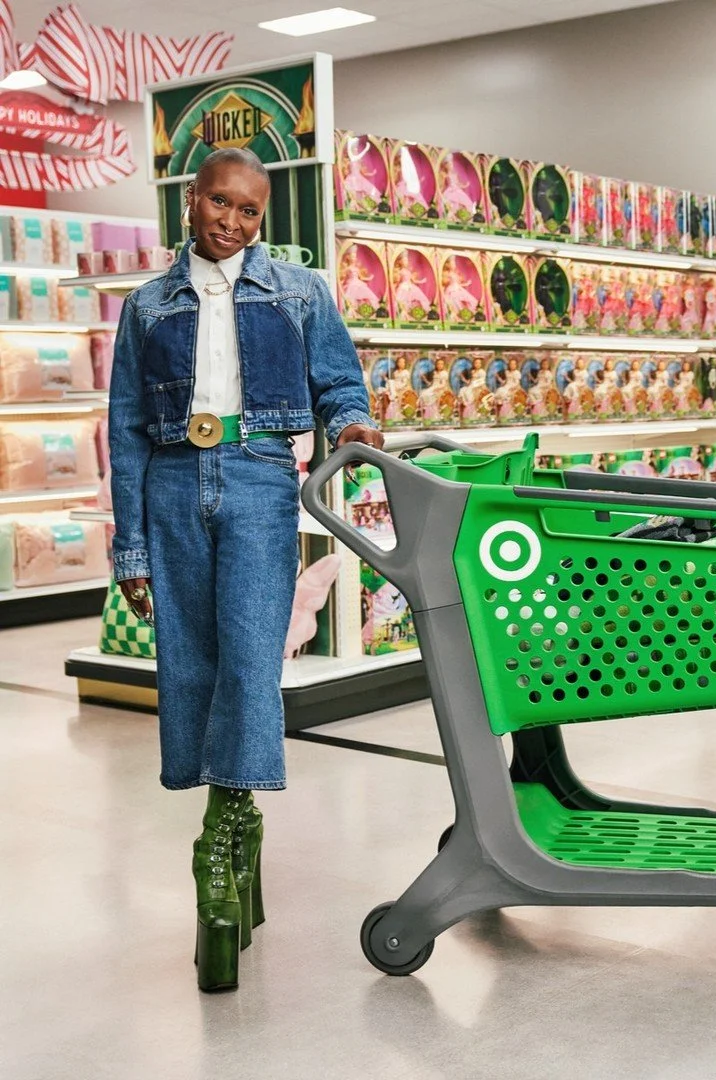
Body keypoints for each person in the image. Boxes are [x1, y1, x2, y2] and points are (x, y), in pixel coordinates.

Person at [109, 147, 383, 994]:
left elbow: (339, 384)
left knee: (250, 663)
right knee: (191, 665)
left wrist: (352, 426)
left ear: (264, 218)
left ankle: (221, 837)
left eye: (250, 210)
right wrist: (131, 546)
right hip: (170, 483)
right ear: (191, 200)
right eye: (220, 203)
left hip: (262, 478)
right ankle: (240, 817)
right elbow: (124, 430)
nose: (232, 221)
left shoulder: (300, 292)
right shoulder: (147, 306)